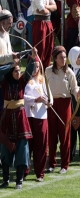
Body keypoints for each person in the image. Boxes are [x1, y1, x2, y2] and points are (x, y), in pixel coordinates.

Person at [0, 52, 38, 189]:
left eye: (19, 70)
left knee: (22, 149)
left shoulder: (22, 81)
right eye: (15, 71)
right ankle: (5, 180)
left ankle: (19, 180)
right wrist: (11, 64)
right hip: (7, 120)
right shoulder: (4, 81)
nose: (18, 73)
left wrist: (33, 57)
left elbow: (29, 70)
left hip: (21, 119)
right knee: (5, 149)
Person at [45, 46, 79, 174]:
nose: (64, 60)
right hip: (52, 105)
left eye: (65, 57)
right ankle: (52, 164)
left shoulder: (69, 72)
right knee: (52, 135)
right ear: (55, 58)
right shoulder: (47, 71)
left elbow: (74, 89)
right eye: (61, 57)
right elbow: (43, 87)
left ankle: (65, 164)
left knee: (64, 134)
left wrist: (78, 93)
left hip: (65, 104)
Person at [24, 59, 51, 182]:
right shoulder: (25, 81)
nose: (36, 69)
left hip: (41, 115)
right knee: (27, 145)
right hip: (29, 116)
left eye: (38, 67)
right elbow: (23, 97)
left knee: (41, 145)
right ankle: (24, 170)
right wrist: (35, 99)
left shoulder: (42, 80)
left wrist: (49, 102)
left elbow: (49, 96)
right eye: (34, 67)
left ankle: (40, 173)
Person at [28, 0, 57, 68]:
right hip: (40, 23)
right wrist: (48, 8)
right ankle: (36, 69)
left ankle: (45, 69)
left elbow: (55, 7)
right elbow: (43, 11)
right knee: (41, 48)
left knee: (49, 47)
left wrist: (46, 7)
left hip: (48, 22)